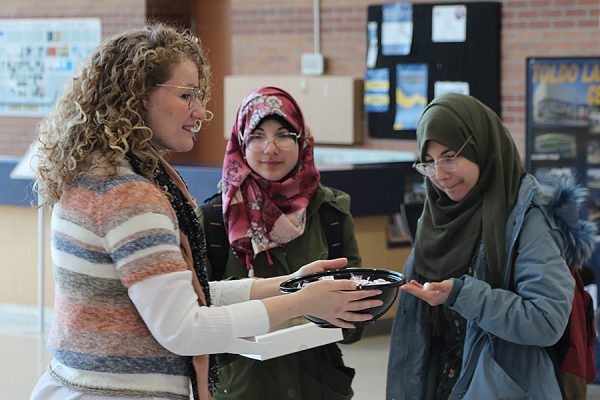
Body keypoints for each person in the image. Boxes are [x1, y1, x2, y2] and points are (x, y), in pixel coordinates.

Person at [29, 23, 383, 400]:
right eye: (186, 95)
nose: (201, 111)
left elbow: (184, 295)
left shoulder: (97, 176)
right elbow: (184, 328)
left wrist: (290, 283)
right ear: (136, 97)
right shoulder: (127, 195)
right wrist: (301, 302)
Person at [386, 93, 576, 400]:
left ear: (480, 147)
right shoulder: (435, 218)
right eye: (429, 163)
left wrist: (464, 295)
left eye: (450, 158)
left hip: (503, 388)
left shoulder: (527, 220)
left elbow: (546, 320)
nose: (440, 175)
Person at [196, 86, 363, 400]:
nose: (270, 148)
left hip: (320, 386)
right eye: (257, 135)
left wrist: (338, 310)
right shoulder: (214, 219)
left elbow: (357, 322)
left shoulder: (331, 213)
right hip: (240, 388)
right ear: (240, 143)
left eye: (284, 134)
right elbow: (195, 315)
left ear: (303, 140)